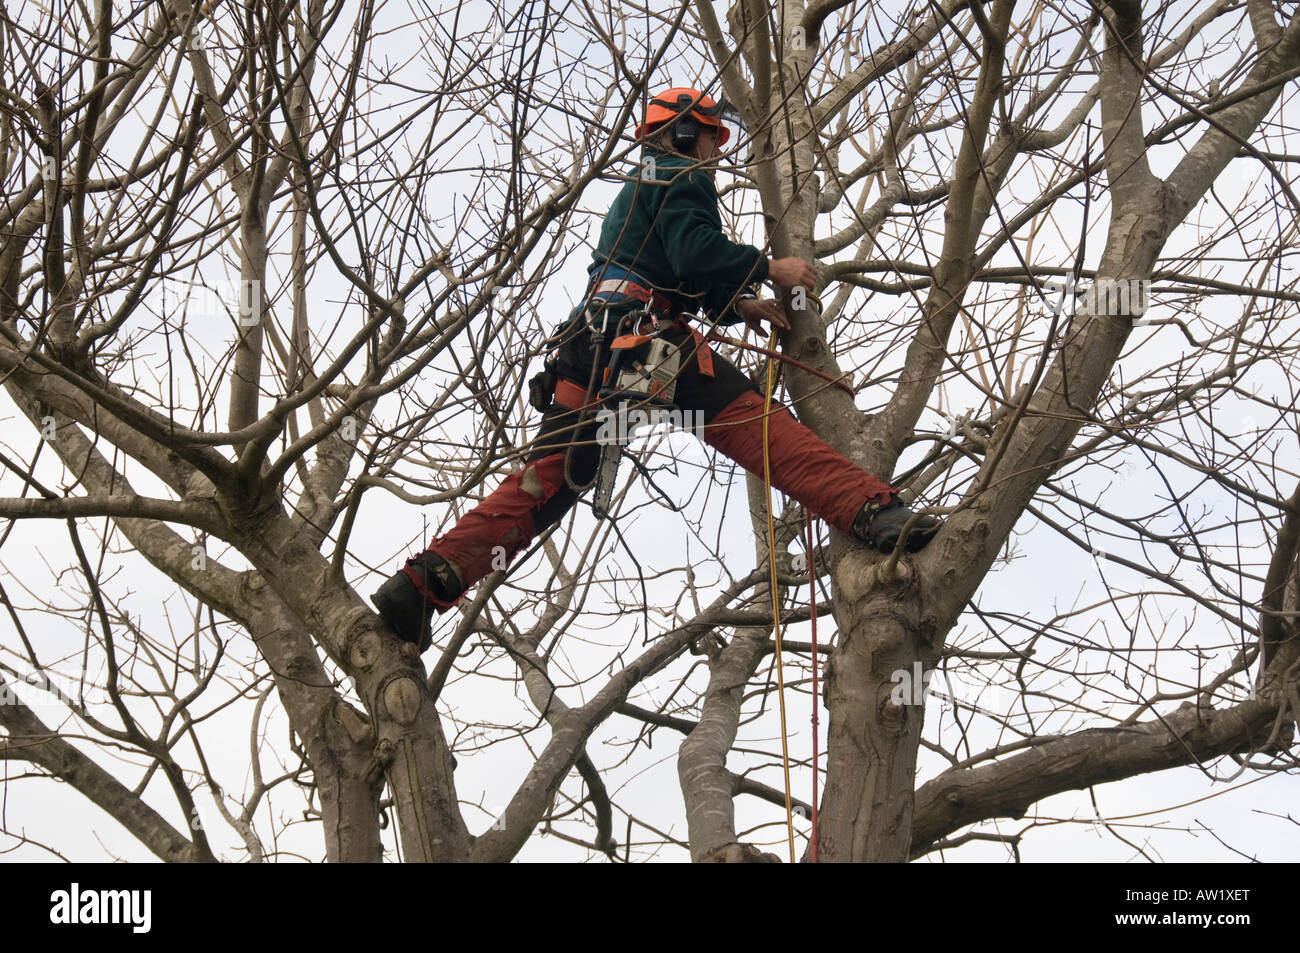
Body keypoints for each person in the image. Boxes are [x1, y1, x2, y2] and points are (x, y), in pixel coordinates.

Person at [372, 87, 941, 650]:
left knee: (550, 482)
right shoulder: (678, 173)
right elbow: (693, 251)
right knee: (753, 423)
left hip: (589, 346)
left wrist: (736, 305)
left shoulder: (640, 185)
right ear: (688, 132)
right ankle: (874, 512)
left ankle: (421, 586)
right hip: (641, 338)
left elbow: (668, 264)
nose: (715, 154)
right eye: (711, 140)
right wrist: (770, 268)